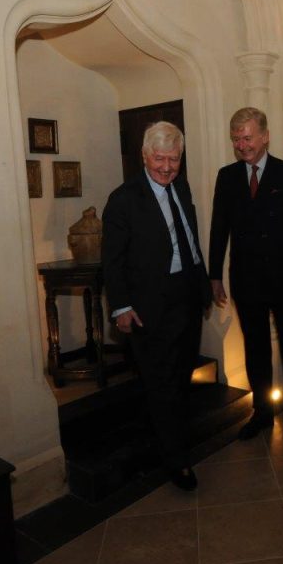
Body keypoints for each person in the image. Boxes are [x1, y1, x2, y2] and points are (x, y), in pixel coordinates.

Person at [101, 121, 211, 492]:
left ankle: (172, 438)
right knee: (161, 382)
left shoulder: (181, 185)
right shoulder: (124, 198)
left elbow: (189, 241)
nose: (167, 167)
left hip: (187, 295)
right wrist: (121, 307)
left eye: (174, 159)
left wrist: (204, 284)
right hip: (151, 304)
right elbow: (112, 261)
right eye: (160, 159)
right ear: (144, 156)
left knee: (181, 377)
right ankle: (177, 461)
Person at [208, 108, 283, 454]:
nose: (243, 145)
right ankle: (262, 414)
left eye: (248, 137)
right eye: (237, 139)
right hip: (246, 280)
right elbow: (218, 229)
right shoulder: (226, 177)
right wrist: (214, 275)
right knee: (255, 350)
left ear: (265, 136)